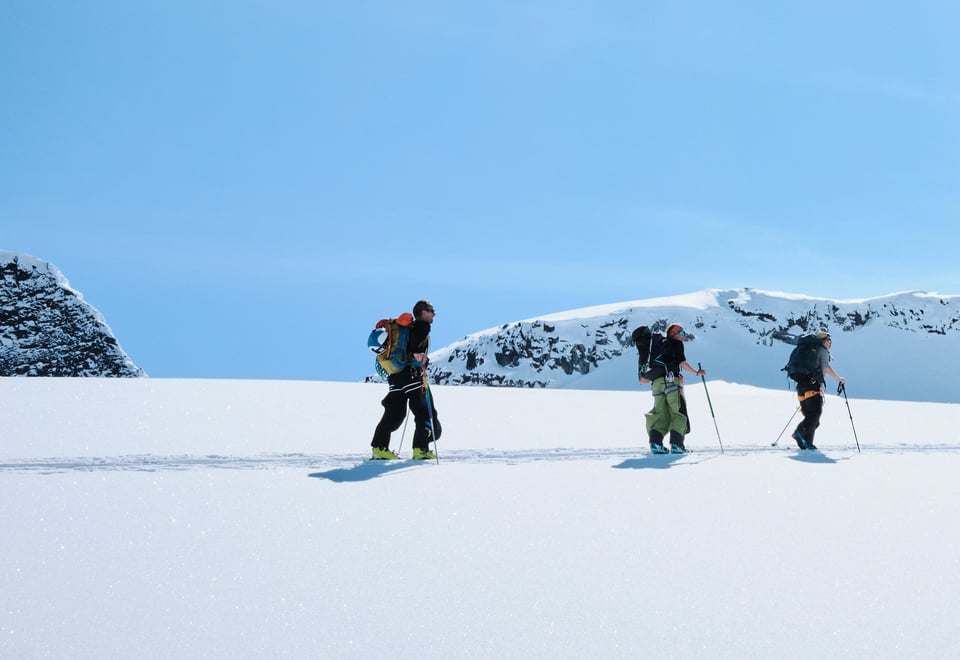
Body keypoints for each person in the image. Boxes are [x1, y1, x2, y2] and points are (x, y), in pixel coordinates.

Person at [370, 300, 441, 460]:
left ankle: (379, 448)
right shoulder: (422, 326)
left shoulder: (404, 329)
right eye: (432, 311)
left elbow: (407, 346)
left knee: (394, 413)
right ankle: (420, 449)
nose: (433, 314)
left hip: (395, 375)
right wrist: (418, 356)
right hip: (411, 374)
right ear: (423, 312)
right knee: (422, 411)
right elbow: (413, 347)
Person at [644, 323, 705, 454]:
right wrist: (696, 372)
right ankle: (677, 445)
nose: (684, 335)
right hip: (672, 382)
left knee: (660, 413)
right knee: (678, 412)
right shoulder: (676, 344)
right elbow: (682, 363)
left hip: (657, 383)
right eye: (681, 332)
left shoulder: (658, 346)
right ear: (673, 334)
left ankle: (656, 444)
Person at [792, 331, 845, 450]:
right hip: (813, 387)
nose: (830, 343)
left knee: (811, 418)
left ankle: (807, 444)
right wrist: (838, 378)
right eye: (828, 340)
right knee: (814, 417)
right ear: (823, 341)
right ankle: (798, 433)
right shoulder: (822, 351)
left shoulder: (809, 350)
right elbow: (826, 368)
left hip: (801, 387)